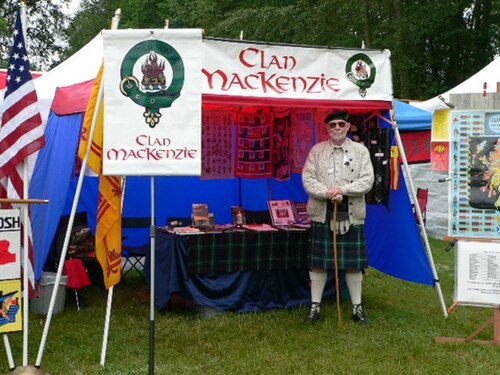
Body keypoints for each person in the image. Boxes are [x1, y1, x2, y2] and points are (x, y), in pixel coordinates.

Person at [302, 110, 374, 325]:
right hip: (322, 214)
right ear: (327, 128)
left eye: (341, 124)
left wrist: (342, 190)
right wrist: (327, 193)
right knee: (318, 264)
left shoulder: (360, 151)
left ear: (348, 127)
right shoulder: (317, 151)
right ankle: (315, 308)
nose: (336, 128)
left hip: (352, 215)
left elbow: (367, 180)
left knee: (353, 265)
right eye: (332, 125)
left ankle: (356, 308)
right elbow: (308, 179)